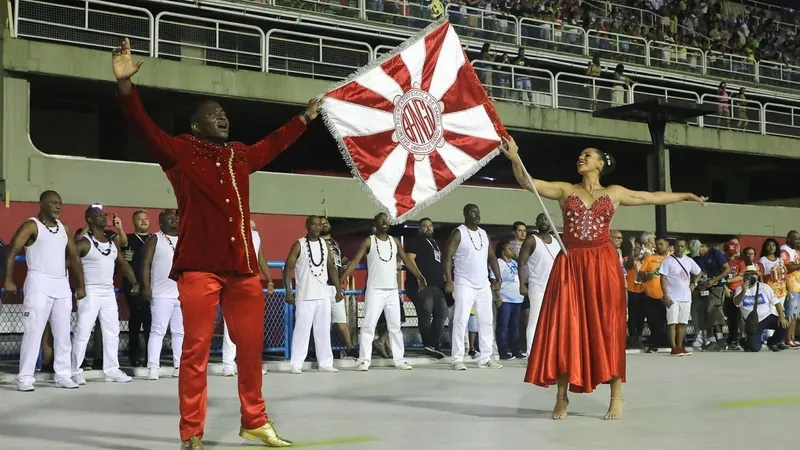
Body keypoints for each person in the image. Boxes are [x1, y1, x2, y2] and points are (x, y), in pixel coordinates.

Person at [113, 38, 320, 449]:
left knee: (250, 348)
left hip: (243, 269)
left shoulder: (240, 156)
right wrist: (124, 88)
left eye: (224, 113)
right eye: (213, 114)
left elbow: (273, 145)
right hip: (199, 269)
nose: (221, 117)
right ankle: (192, 432)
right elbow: (143, 128)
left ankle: (255, 420)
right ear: (195, 125)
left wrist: (304, 119)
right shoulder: (180, 152)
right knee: (195, 350)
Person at [500, 137, 706, 420]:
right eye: (580, 156)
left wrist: (684, 195)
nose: (581, 159)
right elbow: (529, 183)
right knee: (565, 327)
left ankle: (616, 395)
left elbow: (650, 197)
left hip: (603, 264)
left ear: (600, 163)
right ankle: (562, 397)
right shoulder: (565, 189)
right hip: (571, 262)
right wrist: (514, 157)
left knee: (608, 326)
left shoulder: (614, 192)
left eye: (587, 155)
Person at [5, 190, 86, 391]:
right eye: (52, 202)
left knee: (63, 334)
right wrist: (8, 278)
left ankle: (63, 374)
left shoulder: (64, 228)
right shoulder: (32, 225)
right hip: (38, 282)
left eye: (59, 202)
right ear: (41, 204)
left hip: (61, 283)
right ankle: (24, 378)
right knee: (33, 332)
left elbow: (74, 257)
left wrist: (81, 284)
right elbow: (12, 250)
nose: (57, 206)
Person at [341, 213, 426, 372]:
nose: (384, 222)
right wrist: (341, 279)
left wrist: (419, 276)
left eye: (386, 219)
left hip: (392, 291)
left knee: (395, 327)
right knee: (368, 326)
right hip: (375, 290)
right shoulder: (369, 241)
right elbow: (354, 261)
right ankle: (364, 360)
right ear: (375, 224)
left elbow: (407, 260)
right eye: (381, 220)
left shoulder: (394, 242)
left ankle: (399, 359)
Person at [70, 205, 137, 384]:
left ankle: (112, 369)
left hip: (108, 291)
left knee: (112, 331)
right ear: (89, 219)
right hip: (90, 290)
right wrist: (80, 285)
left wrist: (135, 282)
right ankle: (75, 370)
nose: (103, 217)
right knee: (83, 330)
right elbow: (69, 261)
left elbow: (122, 263)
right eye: (98, 215)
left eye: (104, 214)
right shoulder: (84, 242)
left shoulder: (111, 242)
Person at [444, 204, 504, 371]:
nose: (476, 214)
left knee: (486, 321)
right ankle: (457, 358)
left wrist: (498, 277)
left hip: (483, 283)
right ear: (465, 214)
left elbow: (491, 257)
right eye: (472, 212)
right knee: (460, 321)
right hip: (464, 283)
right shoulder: (459, 233)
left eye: (478, 211)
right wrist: (449, 280)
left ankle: (485, 358)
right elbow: (447, 257)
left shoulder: (483, 234)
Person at [283, 216, 343, 374]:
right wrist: (289, 291)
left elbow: (331, 268)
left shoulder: (325, 244)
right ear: (307, 226)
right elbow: (287, 267)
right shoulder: (299, 244)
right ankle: (296, 363)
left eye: (320, 224)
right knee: (302, 330)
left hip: (323, 295)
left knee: (323, 330)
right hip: (305, 296)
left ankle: (325, 363)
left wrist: (338, 288)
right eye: (314, 224)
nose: (317, 227)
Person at [222, 220, 274, 376]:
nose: (252, 230)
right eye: (249, 227)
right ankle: (228, 364)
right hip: (233, 282)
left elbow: (260, 258)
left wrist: (269, 279)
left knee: (251, 327)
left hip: (251, 283)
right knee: (230, 325)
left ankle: (250, 364)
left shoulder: (256, 237)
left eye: (254, 228)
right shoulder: (230, 235)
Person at [141, 209, 184, 380]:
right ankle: (153, 367)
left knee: (179, 332)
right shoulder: (155, 239)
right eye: (169, 218)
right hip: (160, 294)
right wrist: (145, 286)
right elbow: (145, 264)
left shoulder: (184, 239)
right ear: (160, 223)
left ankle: (179, 366)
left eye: (175, 218)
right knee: (157, 331)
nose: (173, 220)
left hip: (180, 293)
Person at [403, 217, 448, 359]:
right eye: (424, 226)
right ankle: (428, 344)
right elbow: (409, 259)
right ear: (419, 228)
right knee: (425, 314)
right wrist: (419, 278)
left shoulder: (434, 243)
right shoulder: (415, 241)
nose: (428, 228)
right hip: (422, 285)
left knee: (442, 313)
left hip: (437, 285)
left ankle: (434, 344)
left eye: (430, 226)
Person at [518, 213, 560, 356]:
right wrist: (522, 284)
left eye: (546, 219)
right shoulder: (531, 239)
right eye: (540, 219)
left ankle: (549, 353)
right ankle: (531, 354)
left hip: (554, 287)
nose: (544, 221)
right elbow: (522, 262)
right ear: (536, 223)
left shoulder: (556, 241)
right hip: (537, 286)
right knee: (534, 320)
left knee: (553, 322)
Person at [320, 217, 356, 358]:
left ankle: (350, 348)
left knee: (341, 320)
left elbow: (342, 261)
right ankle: (323, 350)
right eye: (321, 223)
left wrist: (341, 277)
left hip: (336, 288)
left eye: (326, 223)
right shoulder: (316, 243)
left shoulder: (335, 243)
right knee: (322, 322)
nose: (324, 225)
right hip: (322, 286)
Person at [658, 237, 702, 356]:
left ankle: (680, 346)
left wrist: (694, 283)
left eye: (682, 246)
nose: (679, 248)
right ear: (674, 247)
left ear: (685, 247)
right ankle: (673, 347)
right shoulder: (668, 260)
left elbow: (698, 272)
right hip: (672, 296)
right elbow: (662, 279)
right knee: (672, 322)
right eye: (677, 246)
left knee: (682, 323)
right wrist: (665, 295)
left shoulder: (689, 261)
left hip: (686, 297)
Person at [733, 265, 789, 352]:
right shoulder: (739, 288)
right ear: (744, 277)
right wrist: (743, 291)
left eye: (753, 274)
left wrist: (782, 316)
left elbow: (777, 303)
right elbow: (736, 303)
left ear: (757, 276)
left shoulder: (764, 287)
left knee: (784, 325)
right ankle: (746, 341)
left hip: (767, 317)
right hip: (752, 321)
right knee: (755, 349)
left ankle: (772, 342)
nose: (751, 277)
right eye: (748, 275)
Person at [121, 209, 151, 367]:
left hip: (152, 286)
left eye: (146, 218)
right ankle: (134, 356)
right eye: (140, 219)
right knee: (136, 320)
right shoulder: (129, 239)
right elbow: (120, 260)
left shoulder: (155, 239)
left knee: (150, 322)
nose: (144, 221)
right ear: (134, 222)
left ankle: (150, 357)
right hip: (133, 286)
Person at [492, 240, 524, 360]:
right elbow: (494, 281)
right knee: (503, 326)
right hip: (505, 298)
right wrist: (498, 296)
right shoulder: (498, 263)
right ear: (502, 250)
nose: (512, 250)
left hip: (517, 298)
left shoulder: (515, 263)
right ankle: (502, 351)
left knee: (514, 326)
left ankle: (515, 350)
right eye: (509, 248)